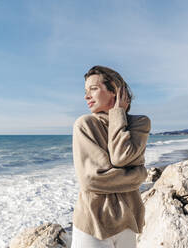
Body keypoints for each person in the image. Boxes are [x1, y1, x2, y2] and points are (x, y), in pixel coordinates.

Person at [71, 65, 151, 248]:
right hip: (92, 223)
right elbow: (92, 181)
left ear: (115, 90)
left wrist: (117, 114)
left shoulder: (140, 123)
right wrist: (137, 175)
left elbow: (120, 156)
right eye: (85, 91)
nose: (86, 96)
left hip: (127, 221)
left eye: (93, 89)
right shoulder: (85, 125)